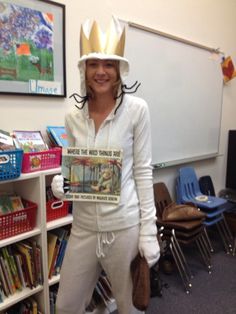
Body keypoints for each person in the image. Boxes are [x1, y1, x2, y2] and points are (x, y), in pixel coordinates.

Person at [51, 16, 160, 314]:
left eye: (109, 64)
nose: (101, 71)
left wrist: (148, 231)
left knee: (129, 307)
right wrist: (62, 185)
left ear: (119, 69)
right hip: (84, 227)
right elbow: (74, 168)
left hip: (124, 227)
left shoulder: (137, 111)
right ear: (83, 69)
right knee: (66, 305)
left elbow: (142, 171)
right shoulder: (73, 117)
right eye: (93, 63)